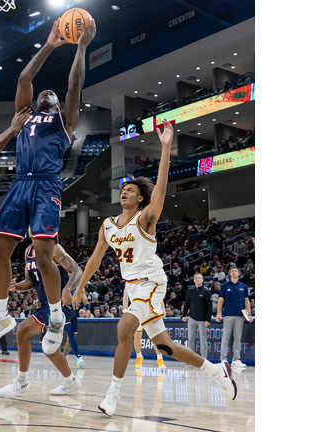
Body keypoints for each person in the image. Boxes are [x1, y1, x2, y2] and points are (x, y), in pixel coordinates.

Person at [72, 119, 236, 418]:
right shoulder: (108, 226)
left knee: (124, 328)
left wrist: (164, 149)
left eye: (131, 190)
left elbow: (160, 189)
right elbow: (95, 260)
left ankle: (113, 394)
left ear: (140, 198)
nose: (125, 192)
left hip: (151, 282)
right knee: (165, 347)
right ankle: (216, 371)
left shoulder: (146, 218)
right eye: (123, 189)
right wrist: (80, 286)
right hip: (133, 285)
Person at [0, 16, 97, 357]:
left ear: (59, 105)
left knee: (45, 258)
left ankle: (57, 317)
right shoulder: (24, 116)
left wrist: (81, 48)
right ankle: (1, 316)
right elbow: (24, 77)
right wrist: (49, 44)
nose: (47, 91)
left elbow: (75, 86)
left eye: (53, 94)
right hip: (20, 184)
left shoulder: (66, 121)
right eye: (43, 93)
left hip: (47, 185)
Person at [0, 238, 84, 398]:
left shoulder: (55, 248)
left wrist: (67, 289)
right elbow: (29, 281)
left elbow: (77, 271)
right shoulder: (28, 252)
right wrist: (16, 287)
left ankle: (22, 380)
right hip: (46, 305)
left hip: (62, 303)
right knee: (50, 351)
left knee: (23, 330)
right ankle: (71, 382)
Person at [216, 266, 253, 367]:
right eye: (232, 271)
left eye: (236, 271)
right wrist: (218, 313)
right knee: (226, 338)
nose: (234, 272)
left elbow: (247, 301)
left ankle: (236, 360)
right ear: (230, 274)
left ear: (238, 274)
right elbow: (220, 300)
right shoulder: (224, 286)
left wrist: (249, 314)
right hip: (228, 315)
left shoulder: (244, 286)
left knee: (238, 338)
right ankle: (223, 359)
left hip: (240, 316)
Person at [123, 289, 166, 369]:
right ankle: (139, 357)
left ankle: (160, 358)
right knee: (137, 337)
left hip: (149, 311)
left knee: (155, 337)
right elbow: (125, 297)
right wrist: (125, 310)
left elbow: (157, 295)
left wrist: (163, 308)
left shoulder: (147, 279)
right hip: (137, 312)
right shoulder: (129, 281)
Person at [181, 273, 212, 360]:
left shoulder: (206, 291)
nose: (198, 279)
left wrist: (208, 319)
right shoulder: (190, 291)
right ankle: (191, 358)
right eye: (196, 278)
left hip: (202, 319)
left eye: (199, 278)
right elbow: (187, 303)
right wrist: (184, 315)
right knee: (190, 338)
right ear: (194, 280)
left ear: (202, 280)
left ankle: (204, 359)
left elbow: (209, 307)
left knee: (203, 339)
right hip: (191, 318)